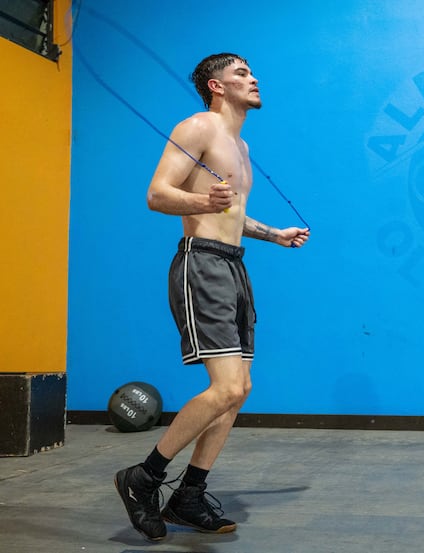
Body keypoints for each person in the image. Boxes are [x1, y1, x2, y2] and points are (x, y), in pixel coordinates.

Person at [114, 53, 310, 541]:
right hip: (200, 264)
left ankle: (189, 495)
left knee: (239, 390)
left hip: (233, 266)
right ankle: (143, 478)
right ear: (216, 85)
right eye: (241, 73)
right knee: (224, 387)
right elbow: (157, 194)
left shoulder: (240, 145)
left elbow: (232, 214)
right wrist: (203, 201)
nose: (253, 77)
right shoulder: (198, 125)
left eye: (251, 71)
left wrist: (273, 234)